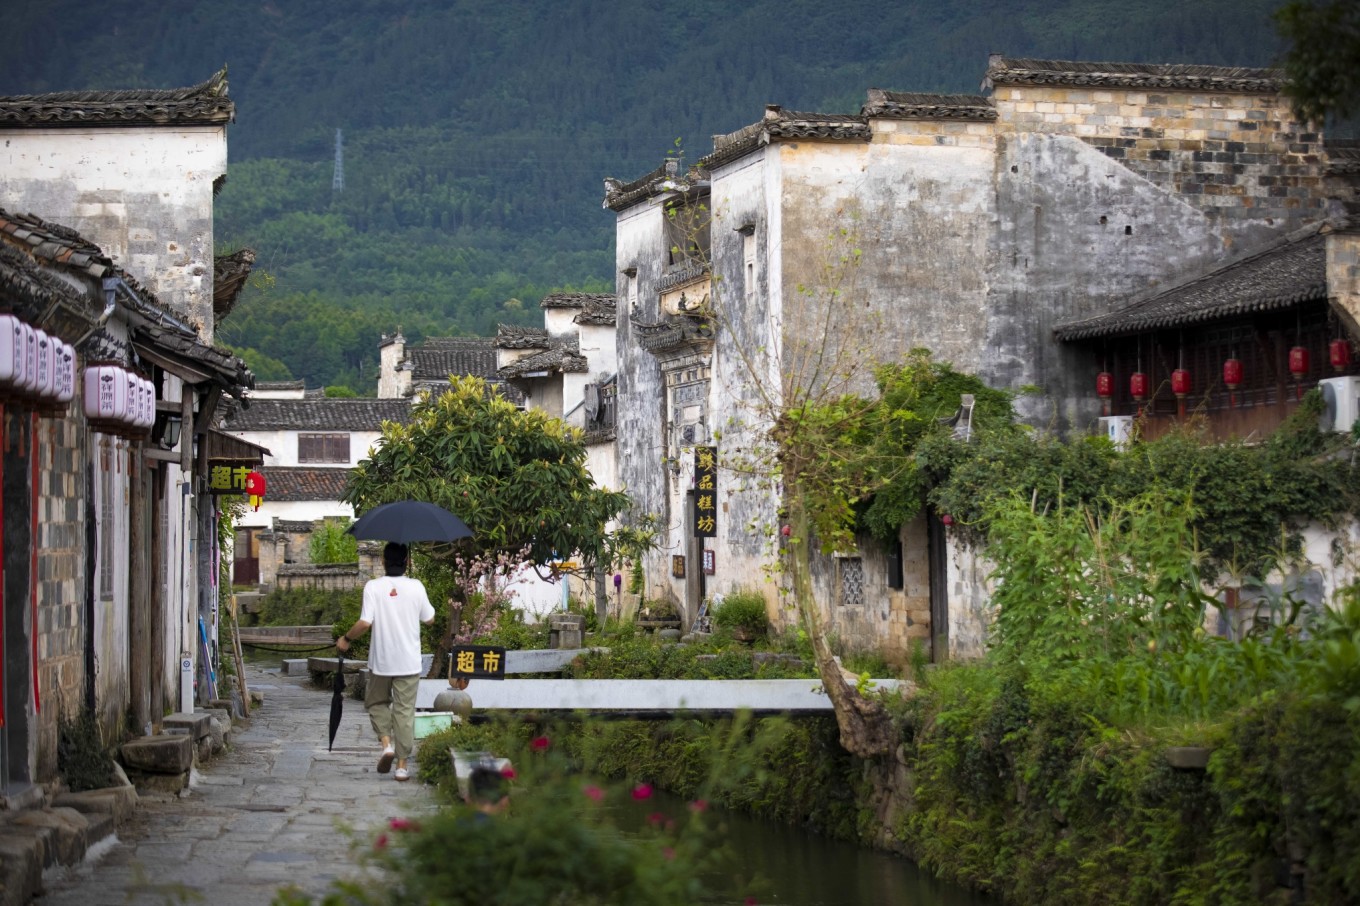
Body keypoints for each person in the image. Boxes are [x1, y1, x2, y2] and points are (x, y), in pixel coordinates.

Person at [336, 542, 435, 781]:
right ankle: (402, 767)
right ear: (407, 562)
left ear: (383, 561)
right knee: (404, 712)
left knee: (376, 703)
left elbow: (365, 623)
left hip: (381, 662)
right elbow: (430, 619)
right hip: (409, 663)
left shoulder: (373, 586)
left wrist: (346, 638)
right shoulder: (416, 586)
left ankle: (386, 744)